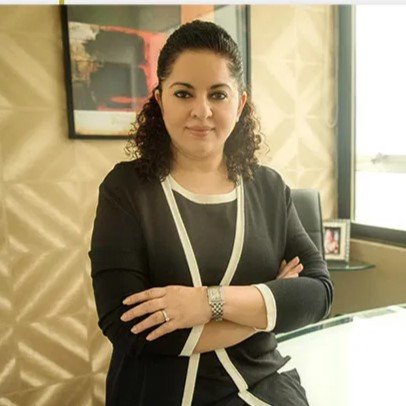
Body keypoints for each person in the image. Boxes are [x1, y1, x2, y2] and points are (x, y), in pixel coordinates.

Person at [89, 20, 334, 406]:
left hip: (265, 385)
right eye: (183, 93)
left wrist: (207, 303)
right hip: (159, 392)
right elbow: (130, 328)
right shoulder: (126, 190)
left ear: (240, 103)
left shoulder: (268, 188)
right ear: (160, 99)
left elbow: (318, 293)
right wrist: (265, 303)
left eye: (218, 94)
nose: (201, 111)